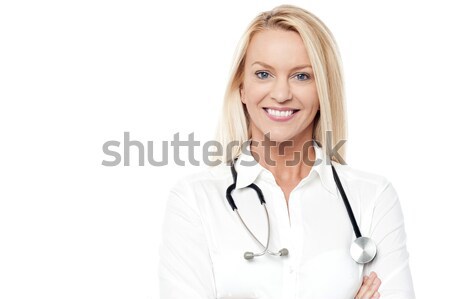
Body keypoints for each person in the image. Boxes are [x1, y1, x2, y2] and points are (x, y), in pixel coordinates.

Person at [158, 4, 415, 299]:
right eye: (264, 74)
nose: (281, 94)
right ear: (242, 88)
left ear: (324, 90)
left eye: (301, 76)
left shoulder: (373, 197)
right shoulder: (195, 200)